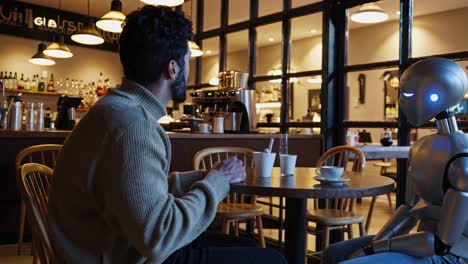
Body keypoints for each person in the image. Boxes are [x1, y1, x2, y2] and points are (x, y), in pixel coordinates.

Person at [47, 6, 286, 264]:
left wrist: (204, 176)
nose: (188, 69)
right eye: (187, 62)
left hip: (112, 244)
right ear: (172, 68)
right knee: (272, 259)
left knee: (249, 246)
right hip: (122, 255)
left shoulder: (114, 110)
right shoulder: (133, 126)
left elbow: (136, 195)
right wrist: (217, 183)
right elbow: (159, 237)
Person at [322, 58, 468, 264]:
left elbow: (443, 244)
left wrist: (375, 248)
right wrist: (376, 244)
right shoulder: (420, 148)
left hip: (452, 254)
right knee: (334, 253)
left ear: (435, 96)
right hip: (422, 242)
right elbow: (409, 209)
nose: (401, 102)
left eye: (408, 95)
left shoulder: (462, 161)